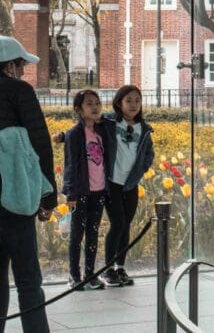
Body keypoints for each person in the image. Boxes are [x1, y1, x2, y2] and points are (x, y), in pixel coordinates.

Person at [0, 36, 56, 333]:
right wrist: (48, 198)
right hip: (16, 199)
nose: (22, 73)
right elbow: (40, 145)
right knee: (27, 280)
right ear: (9, 66)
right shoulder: (20, 92)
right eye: (21, 66)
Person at [61, 89, 114, 291]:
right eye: (89, 104)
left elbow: (111, 121)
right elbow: (71, 166)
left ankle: (90, 274)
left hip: (99, 191)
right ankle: (74, 276)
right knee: (77, 235)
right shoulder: (74, 135)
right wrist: (71, 194)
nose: (95, 107)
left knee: (93, 233)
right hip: (81, 192)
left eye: (97, 103)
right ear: (79, 110)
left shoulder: (101, 131)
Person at [100, 85, 153, 287]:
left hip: (130, 185)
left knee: (126, 226)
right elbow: (85, 128)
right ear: (119, 103)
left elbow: (149, 154)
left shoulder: (145, 129)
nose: (133, 105)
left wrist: (141, 169)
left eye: (137, 101)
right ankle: (107, 270)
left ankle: (119, 267)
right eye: (129, 101)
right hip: (112, 183)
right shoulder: (108, 122)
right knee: (118, 224)